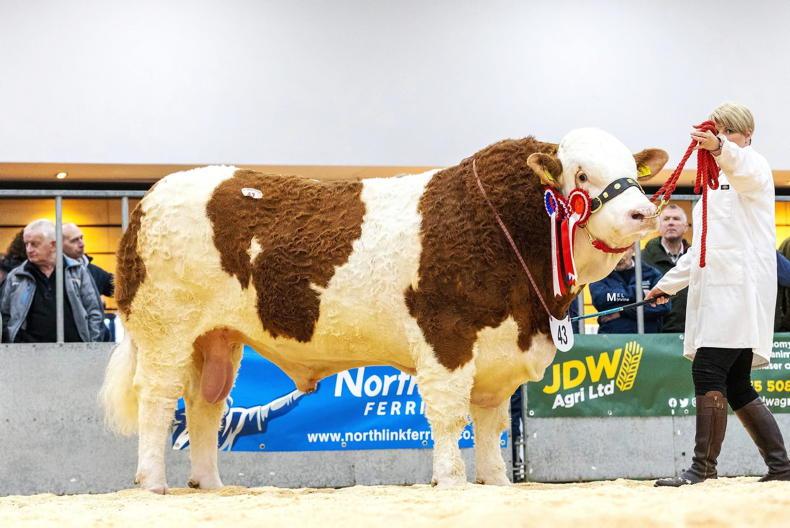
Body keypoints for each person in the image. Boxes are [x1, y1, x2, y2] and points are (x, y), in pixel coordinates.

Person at [649, 103, 790, 485]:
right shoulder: (712, 186)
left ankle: (702, 468)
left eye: (730, 132)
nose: (723, 137)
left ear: (747, 136)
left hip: (740, 291)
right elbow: (702, 249)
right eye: (719, 131)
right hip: (721, 292)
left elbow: (740, 167)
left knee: (708, 369)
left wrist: (717, 148)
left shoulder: (753, 166)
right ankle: (781, 467)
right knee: (738, 383)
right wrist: (667, 284)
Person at [0, 219, 104, 343]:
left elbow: (94, 311)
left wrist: (92, 347)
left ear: (53, 244)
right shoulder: (16, 276)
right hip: (28, 354)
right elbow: (5, 315)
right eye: (26, 244)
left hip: (74, 352)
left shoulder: (77, 271)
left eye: (34, 244)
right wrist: (14, 345)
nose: (29, 249)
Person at [589, 245, 669, 333]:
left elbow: (664, 306)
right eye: (614, 250)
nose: (618, 255)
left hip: (648, 340)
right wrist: (640, 294)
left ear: (633, 248)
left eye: (623, 249)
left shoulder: (651, 273)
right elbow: (601, 299)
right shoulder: (600, 274)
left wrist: (621, 312)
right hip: (611, 340)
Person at [641, 204, 690, 333]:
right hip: (655, 336)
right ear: (659, 226)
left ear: (686, 227)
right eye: (666, 219)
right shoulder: (642, 259)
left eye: (676, 219)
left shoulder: (698, 260)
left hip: (691, 333)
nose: (671, 223)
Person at [62, 223, 114, 340]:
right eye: (74, 240)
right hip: (68, 341)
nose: (81, 244)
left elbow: (119, 288)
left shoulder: (93, 271)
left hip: (96, 339)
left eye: (81, 238)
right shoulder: (52, 272)